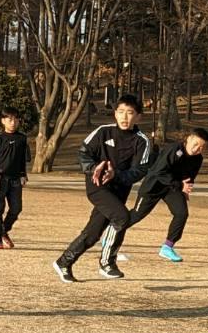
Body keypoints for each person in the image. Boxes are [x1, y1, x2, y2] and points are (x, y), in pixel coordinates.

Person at [53, 95, 151, 282]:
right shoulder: (103, 132)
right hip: (97, 187)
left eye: (130, 113)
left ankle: (64, 262)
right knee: (122, 217)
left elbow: (139, 170)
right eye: (121, 112)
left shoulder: (142, 141)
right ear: (115, 113)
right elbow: (84, 153)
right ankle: (107, 263)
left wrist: (116, 175)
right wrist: (93, 168)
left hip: (119, 192)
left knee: (93, 232)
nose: (124, 117)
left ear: (138, 116)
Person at [105, 127, 208, 263]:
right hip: (153, 187)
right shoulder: (174, 149)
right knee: (137, 215)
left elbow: (189, 176)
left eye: (202, 147)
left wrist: (186, 189)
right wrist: (180, 185)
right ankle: (111, 233)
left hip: (171, 188)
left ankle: (167, 247)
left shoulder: (198, 159)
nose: (197, 149)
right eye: (195, 144)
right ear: (188, 139)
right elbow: (159, 172)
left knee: (181, 213)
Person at [0, 107, 28, 250]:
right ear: (3, 121)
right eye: (10, 119)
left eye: (16, 119)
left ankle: (4, 230)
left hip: (16, 179)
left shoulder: (22, 138)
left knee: (16, 208)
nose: (13, 122)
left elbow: (23, 159)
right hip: (0, 179)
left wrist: (23, 175)